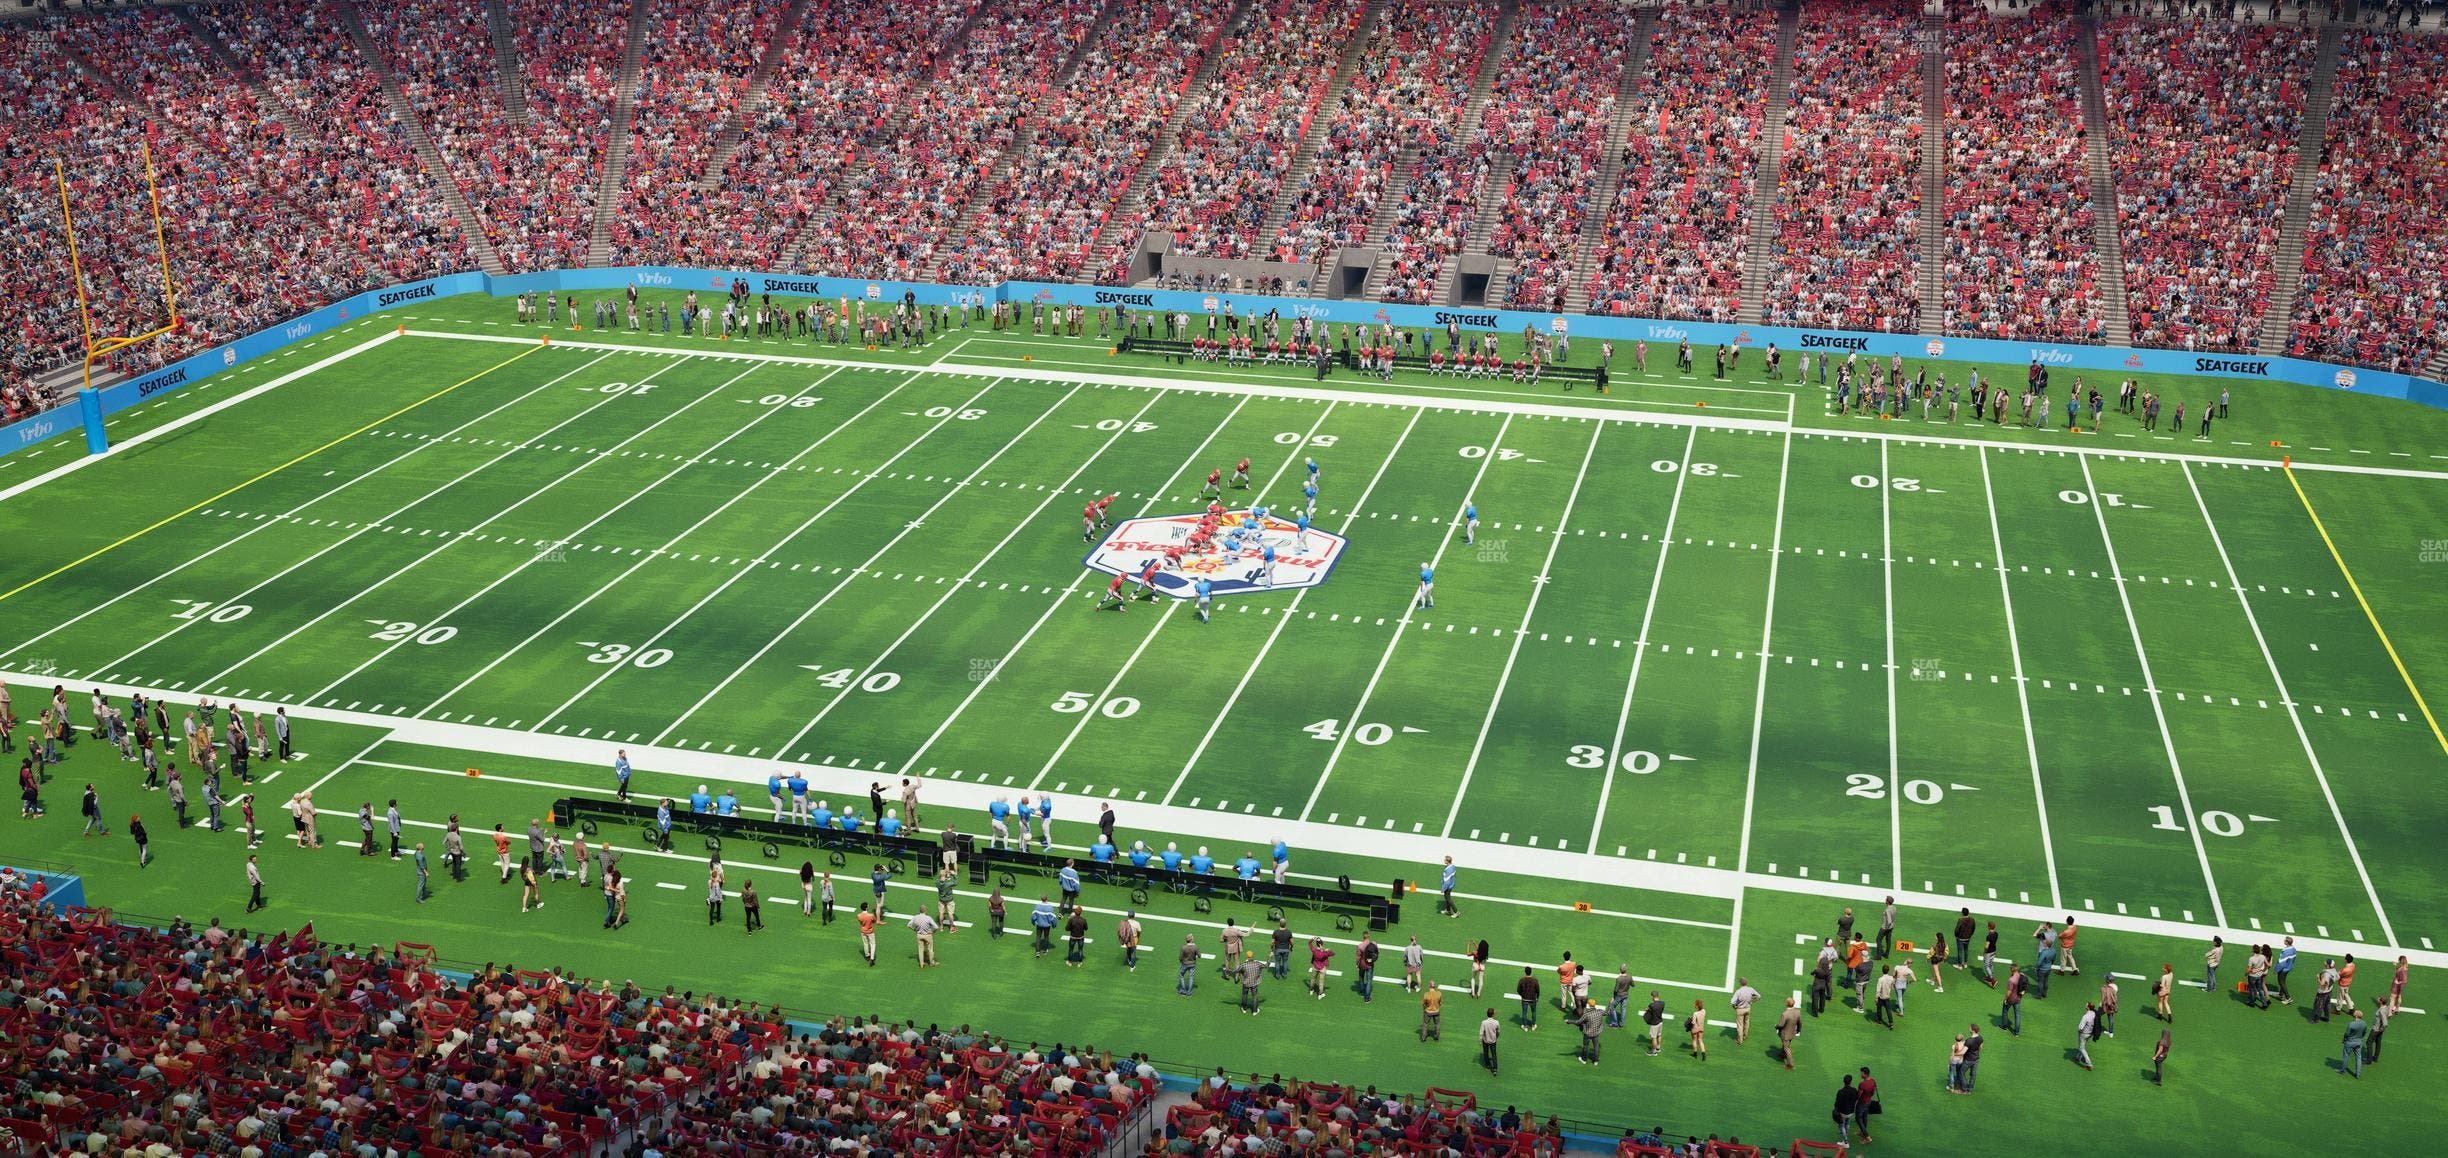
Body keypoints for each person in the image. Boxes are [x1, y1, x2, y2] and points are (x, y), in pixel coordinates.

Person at [1832, 1074, 1860, 1146]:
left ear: (1843, 1081)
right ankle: (1845, 1139)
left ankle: (1846, 1142)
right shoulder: (1854, 1090)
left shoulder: (1841, 1091)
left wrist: (1835, 1108)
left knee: (1842, 1126)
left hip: (1843, 1112)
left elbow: (1837, 1102)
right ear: (1851, 1082)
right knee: (1847, 1124)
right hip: (1851, 1111)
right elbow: (1857, 1098)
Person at [1775, 997, 1802, 1070]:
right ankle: (1782, 1054)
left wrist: (1776, 1026)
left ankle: (1790, 1064)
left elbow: (1781, 1025)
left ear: (1787, 1004)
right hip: (1792, 1032)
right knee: (1786, 1044)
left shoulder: (1785, 1014)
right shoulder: (1798, 1012)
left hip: (1785, 1034)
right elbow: (1800, 1023)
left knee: (1787, 1047)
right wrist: (1798, 1030)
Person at [1578, 997, 1605, 1065]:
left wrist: (1569, 1021)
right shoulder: (1600, 1011)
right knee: (1596, 1046)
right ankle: (1596, 1061)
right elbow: (1608, 1012)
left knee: (1585, 1046)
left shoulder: (1587, 1014)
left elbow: (1578, 1022)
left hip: (1588, 1033)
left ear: (1589, 1005)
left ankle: (1584, 1059)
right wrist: (1611, 1004)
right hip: (1596, 1032)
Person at [1731, 977, 1759, 1043]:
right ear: (1746, 983)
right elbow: (1758, 996)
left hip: (1740, 1009)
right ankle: (1745, 1036)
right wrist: (1752, 1001)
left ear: (1740, 983)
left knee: (1740, 1025)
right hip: (1748, 1008)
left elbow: (1732, 1002)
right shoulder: (1751, 989)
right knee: (1746, 1022)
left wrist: (1734, 1006)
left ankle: (1740, 1040)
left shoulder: (1738, 991)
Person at [1853, 1067, 1877, 1143]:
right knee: (1864, 1117)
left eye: (1861, 1073)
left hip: (1862, 1103)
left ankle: (1867, 1136)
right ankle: (1862, 1132)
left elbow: (1859, 1095)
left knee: (1858, 1119)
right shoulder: (1873, 1081)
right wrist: (1868, 1097)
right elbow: (1873, 1091)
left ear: (1865, 1074)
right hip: (1868, 1102)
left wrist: (1853, 1102)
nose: (1860, 1074)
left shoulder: (1862, 1084)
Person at [2001, 965, 2025, 1036]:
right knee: (2017, 1014)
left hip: (2011, 999)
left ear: (2011, 970)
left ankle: (2004, 1027)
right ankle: (2016, 1032)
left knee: (2005, 1011)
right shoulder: (2021, 976)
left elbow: (2009, 991)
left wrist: (2005, 999)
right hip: (2018, 998)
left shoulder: (2011, 980)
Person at [2342, 1011, 2367, 1078]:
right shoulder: (2364, 1023)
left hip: (2349, 1042)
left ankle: (2343, 1070)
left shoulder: (2351, 1024)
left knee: (2346, 1055)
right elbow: (2364, 1032)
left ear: (2356, 1016)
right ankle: (2358, 1074)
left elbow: (2347, 1034)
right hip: (2358, 1042)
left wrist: (2344, 1039)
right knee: (2358, 1057)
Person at [2075, 1002, 2099, 1070]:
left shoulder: (2085, 1016)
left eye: (2086, 1004)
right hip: (2090, 1033)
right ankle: (2078, 1057)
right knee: (2083, 1044)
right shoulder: (2094, 1014)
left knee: (2082, 1048)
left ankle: (2089, 1064)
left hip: (2083, 1034)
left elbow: (2080, 1027)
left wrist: (2079, 1031)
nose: (2085, 1004)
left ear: (2088, 1007)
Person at [1641, 991, 1666, 1056]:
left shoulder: (1651, 1005)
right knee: (1659, 1035)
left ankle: (1654, 1052)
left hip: (1654, 1023)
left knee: (1653, 1037)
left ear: (1652, 996)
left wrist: (1646, 1010)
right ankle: (1658, 1047)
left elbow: (1650, 1010)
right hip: (1660, 1021)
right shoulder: (1663, 1003)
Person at [1479, 1009, 1502, 1075]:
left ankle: (1487, 1065)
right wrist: (1496, 1037)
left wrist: (1480, 1040)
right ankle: (1495, 1069)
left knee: (1486, 1053)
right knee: (1494, 1054)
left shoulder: (1483, 1022)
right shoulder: (1496, 1022)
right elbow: (1498, 1031)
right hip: (1493, 1040)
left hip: (1485, 1040)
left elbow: (1481, 1032)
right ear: (1492, 1014)